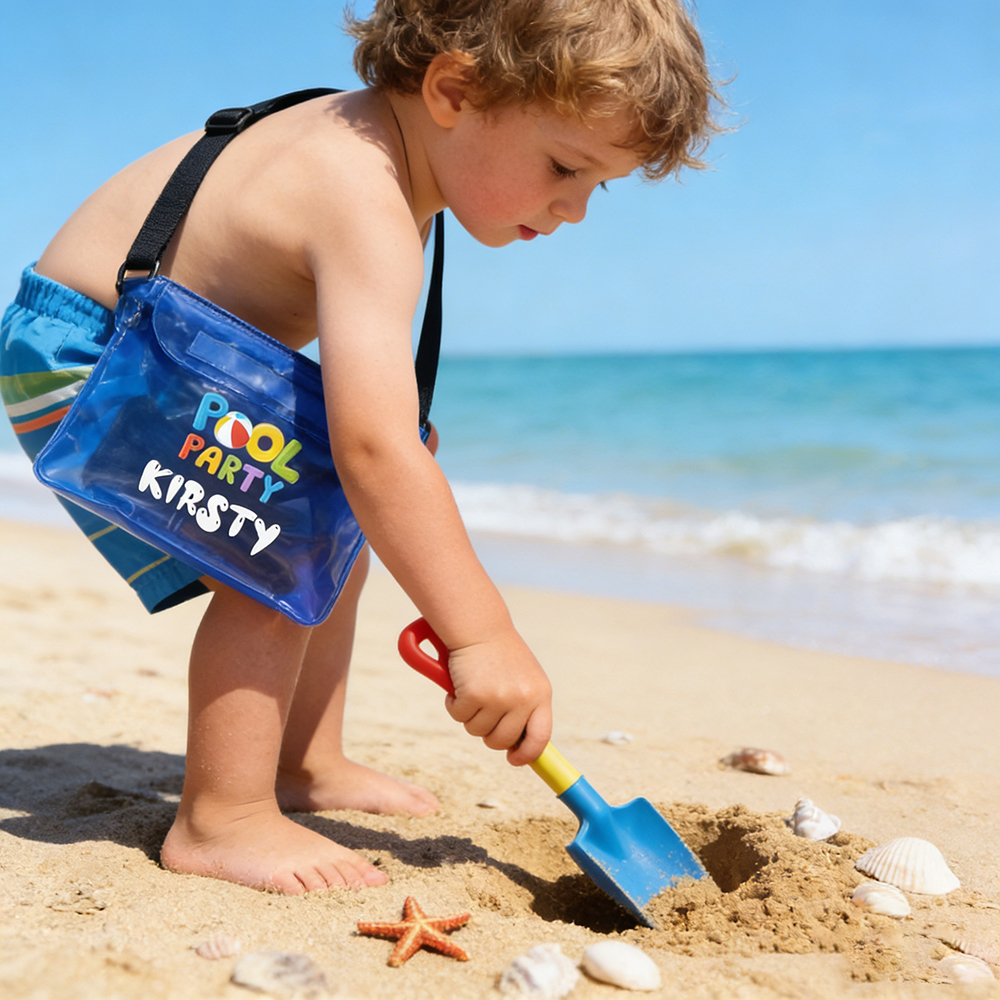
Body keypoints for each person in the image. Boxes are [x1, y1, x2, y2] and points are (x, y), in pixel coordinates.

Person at [0, 0, 724, 894]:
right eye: (564, 167)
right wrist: (483, 636)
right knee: (287, 530)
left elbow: (377, 439)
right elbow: (376, 452)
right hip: (89, 358)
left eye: (596, 185)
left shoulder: (389, 154)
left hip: (131, 341)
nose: (574, 208)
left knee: (328, 492)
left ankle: (304, 758)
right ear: (454, 89)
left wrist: (389, 458)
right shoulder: (361, 190)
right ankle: (222, 818)